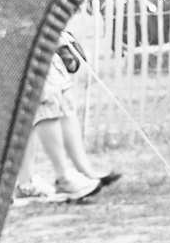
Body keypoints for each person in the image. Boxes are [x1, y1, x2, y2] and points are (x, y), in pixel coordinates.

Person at [14, 32, 119, 203]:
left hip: (39, 42)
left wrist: (62, 39)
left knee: (65, 100)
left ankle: (84, 171)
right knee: (44, 100)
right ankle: (63, 177)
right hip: (24, 42)